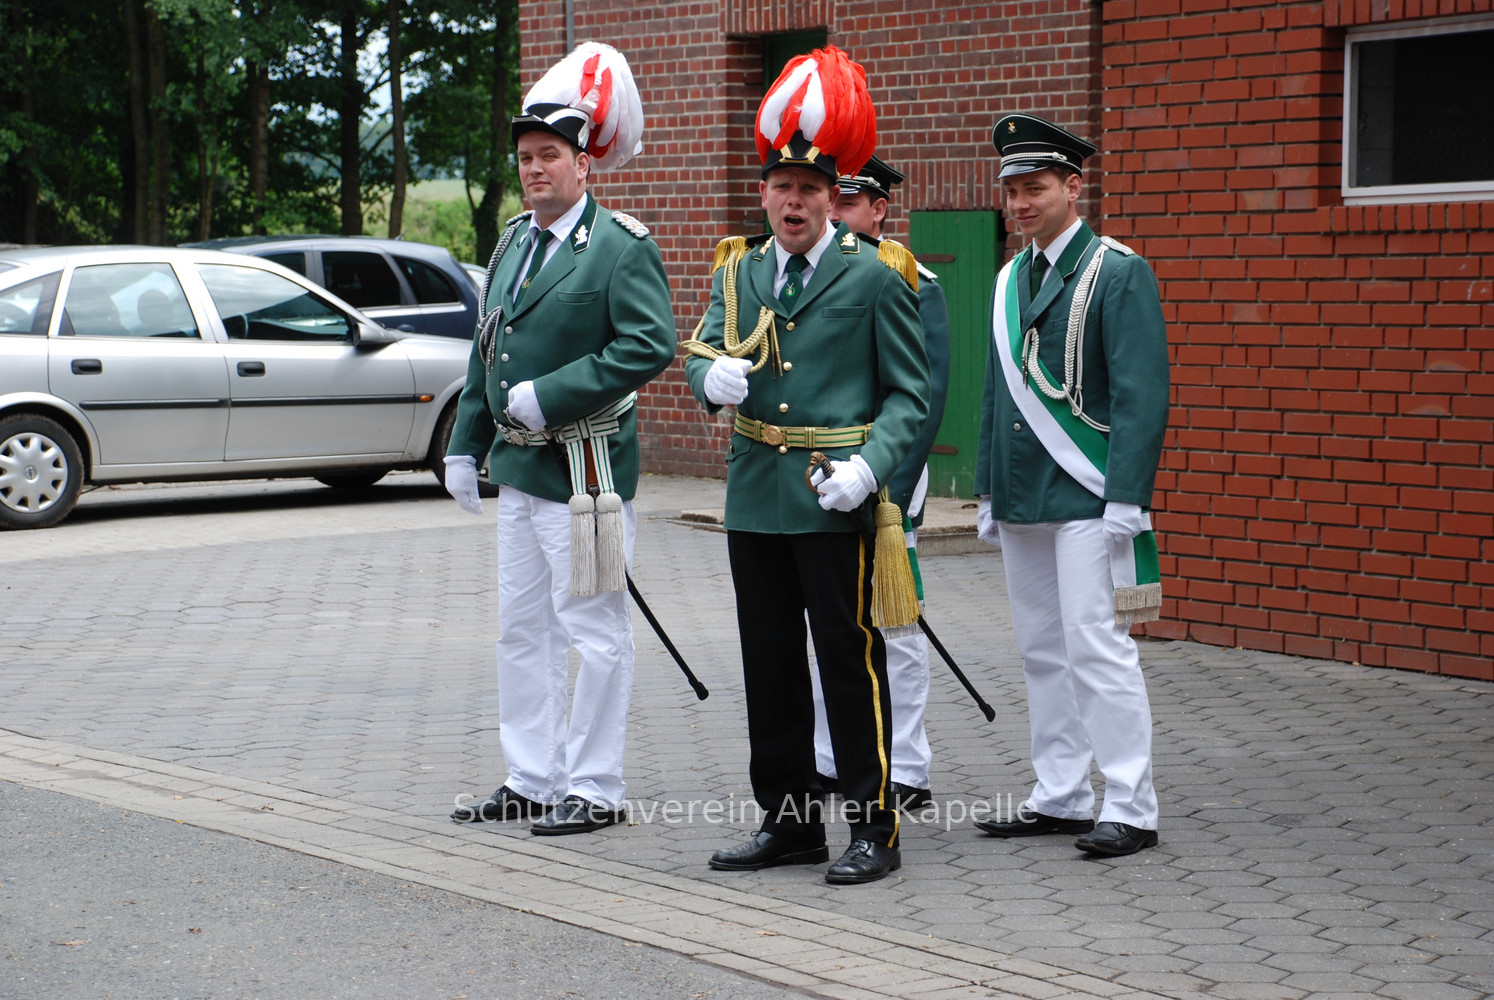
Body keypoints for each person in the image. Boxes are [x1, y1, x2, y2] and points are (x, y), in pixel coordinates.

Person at [684, 46, 930, 885]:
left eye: (810, 190)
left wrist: (871, 467)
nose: (794, 202)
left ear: (834, 198)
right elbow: (702, 352)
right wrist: (708, 381)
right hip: (757, 495)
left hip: (835, 494)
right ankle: (789, 824)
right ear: (764, 194)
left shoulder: (875, 278)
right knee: (771, 667)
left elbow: (909, 397)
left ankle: (874, 826)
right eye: (782, 187)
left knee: (847, 664)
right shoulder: (739, 270)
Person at [445, 43, 676, 836]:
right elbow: (489, 346)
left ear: (584, 163)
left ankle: (596, 786)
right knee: (521, 629)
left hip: (586, 472)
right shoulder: (513, 241)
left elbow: (648, 345)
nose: (536, 169)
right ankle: (532, 776)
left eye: (550, 155)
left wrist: (553, 393)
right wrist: (464, 441)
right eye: (526, 158)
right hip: (519, 468)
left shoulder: (619, 245)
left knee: (594, 632)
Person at [972, 113, 1170, 857]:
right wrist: (988, 490)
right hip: (1024, 492)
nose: (1021, 204)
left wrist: (1128, 495)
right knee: (1041, 651)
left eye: (1036, 188)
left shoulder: (1118, 271)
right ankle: (1060, 794)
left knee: (1097, 649)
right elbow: (996, 392)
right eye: (1012, 191)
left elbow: (1143, 394)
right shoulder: (1008, 278)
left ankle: (1131, 804)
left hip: (1089, 492)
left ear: (1073, 187)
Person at [810, 155, 951, 812]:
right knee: (829, 618)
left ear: (878, 209)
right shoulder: (810, 275)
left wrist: (886, 485)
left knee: (894, 622)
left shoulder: (913, 281)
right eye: (828, 200)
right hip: (823, 476)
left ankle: (908, 765)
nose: (834, 214)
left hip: (887, 479)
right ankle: (831, 758)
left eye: (845, 202)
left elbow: (924, 398)